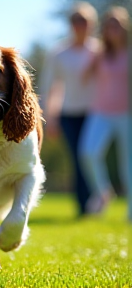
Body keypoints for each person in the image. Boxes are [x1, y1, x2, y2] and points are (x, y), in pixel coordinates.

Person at [40, 2, 99, 217]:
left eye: (84, 22)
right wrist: (51, 118)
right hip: (68, 113)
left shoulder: (99, 50)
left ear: (92, 24)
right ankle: (84, 206)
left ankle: (97, 199)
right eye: (76, 21)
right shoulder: (59, 52)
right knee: (78, 158)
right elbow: (50, 87)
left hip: (96, 113)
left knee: (91, 156)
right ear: (71, 25)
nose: (80, 26)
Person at [79, 7, 130, 217]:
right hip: (100, 112)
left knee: (128, 163)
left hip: (127, 114)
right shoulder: (99, 54)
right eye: (109, 26)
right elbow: (83, 77)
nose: (112, 29)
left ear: (124, 27)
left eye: (116, 25)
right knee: (88, 152)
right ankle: (103, 191)